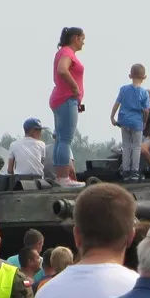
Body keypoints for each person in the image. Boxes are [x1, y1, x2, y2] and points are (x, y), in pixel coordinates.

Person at [50, 27, 86, 187]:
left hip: (60, 99)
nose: (83, 42)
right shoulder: (67, 52)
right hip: (67, 98)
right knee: (65, 139)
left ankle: (60, 176)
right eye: (82, 39)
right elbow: (62, 69)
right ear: (75, 38)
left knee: (60, 139)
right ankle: (64, 178)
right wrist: (75, 87)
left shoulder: (62, 52)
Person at [110, 63, 150, 183]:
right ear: (144, 77)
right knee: (136, 146)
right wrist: (144, 122)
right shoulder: (144, 93)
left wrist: (112, 117)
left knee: (126, 146)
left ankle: (126, 170)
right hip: (137, 122)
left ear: (130, 75)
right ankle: (134, 171)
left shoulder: (123, 89)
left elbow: (117, 104)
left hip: (124, 121)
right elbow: (146, 110)